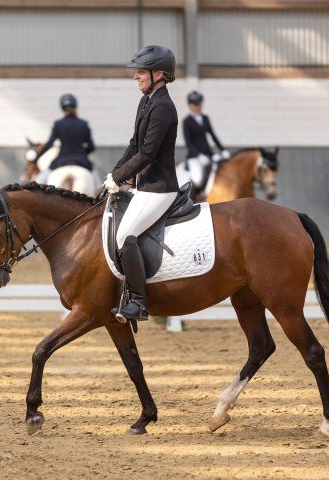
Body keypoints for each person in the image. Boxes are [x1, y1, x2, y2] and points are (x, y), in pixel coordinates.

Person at [102, 45, 179, 322]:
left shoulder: (164, 108)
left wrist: (121, 177)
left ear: (159, 74)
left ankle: (139, 302)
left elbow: (147, 153)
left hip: (160, 187)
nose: (136, 76)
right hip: (145, 185)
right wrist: (113, 175)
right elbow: (134, 144)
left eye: (141, 71)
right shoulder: (146, 101)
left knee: (125, 236)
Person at [29, 94, 96, 193]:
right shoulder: (83, 124)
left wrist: (36, 158)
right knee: (100, 186)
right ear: (75, 106)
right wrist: (81, 153)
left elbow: (49, 144)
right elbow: (91, 147)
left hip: (61, 161)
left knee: (38, 183)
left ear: (62, 108)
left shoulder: (58, 124)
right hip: (82, 161)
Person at [182, 90, 230, 190]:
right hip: (194, 157)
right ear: (190, 105)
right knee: (198, 180)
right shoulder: (187, 121)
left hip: (209, 153)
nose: (198, 106)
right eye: (195, 104)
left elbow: (213, 136)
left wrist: (223, 150)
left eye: (199, 104)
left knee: (221, 175)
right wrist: (199, 155)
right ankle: (194, 199)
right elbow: (188, 143)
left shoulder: (205, 118)